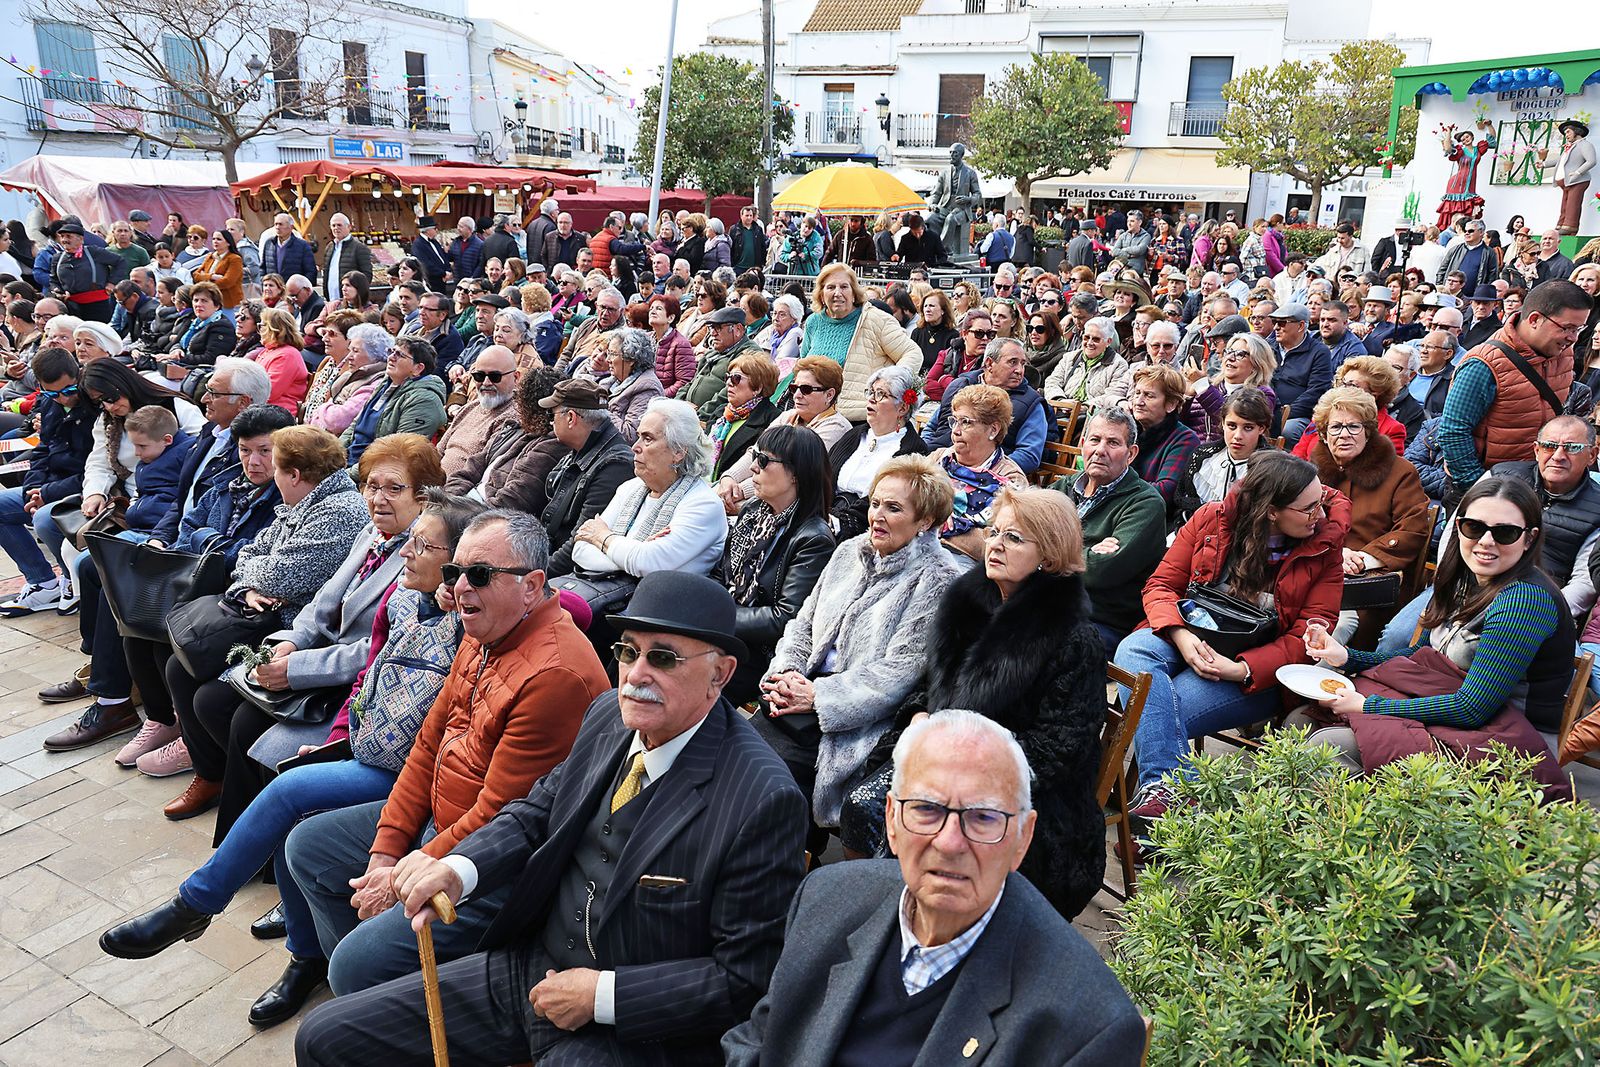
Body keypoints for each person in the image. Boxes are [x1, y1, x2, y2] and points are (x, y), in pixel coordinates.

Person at [292, 568, 809, 1066]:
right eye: (628, 652)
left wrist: (603, 995)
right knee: (323, 1039)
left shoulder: (762, 798)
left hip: (632, 1033)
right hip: (531, 968)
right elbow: (536, 812)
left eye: (665, 658)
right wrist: (456, 868)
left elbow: (746, 979)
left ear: (720, 674)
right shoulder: (608, 714)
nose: (636, 675)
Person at [97, 491, 486, 1026]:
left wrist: (462, 597)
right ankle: (304, 959)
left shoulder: (475, 619)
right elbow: (372, 674)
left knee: (287, 792)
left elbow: (564, 608)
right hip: (370, 751)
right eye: (410, 540)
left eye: (422, 545)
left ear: (460, 562)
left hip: (416, 777)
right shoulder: (400, 600)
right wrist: (340, 738)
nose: (405, 552)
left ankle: (195, 905)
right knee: (289, 800)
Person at [732, 707, 1145, 1064]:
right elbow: (757, 1041)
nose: (949, 843)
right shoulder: (827, 899)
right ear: (891, 820)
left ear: (1022, 837)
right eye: (926, 809)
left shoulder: (1087, 1025)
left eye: (983, 817)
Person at [155, 427, 387, 816]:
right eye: (372, 487)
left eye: (274, 464)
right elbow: (250, 555)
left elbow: (285, 577)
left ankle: (240, 787)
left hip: (291, 627)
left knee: (214, 700)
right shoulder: (303, 502)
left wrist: (255, 578)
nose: (375, 499)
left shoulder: (339, 513)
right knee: (178, 666)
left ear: (294, 474)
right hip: (274, 618)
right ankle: (212, 774)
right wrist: (246, 588)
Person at [1299, 477, 1574, 801]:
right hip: (1452, 716)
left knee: (1325, 748)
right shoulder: (1464, 579)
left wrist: (1369, 705)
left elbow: (1473, 707)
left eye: (1505, 532)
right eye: (1474, 527)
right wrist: (1346, 656)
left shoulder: (1524, 600)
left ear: (1529, 540)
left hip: (1505, 740)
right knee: (1301, 720)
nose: (1486, 541)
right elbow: (1421, 657)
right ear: (1458, 527)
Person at [1118, 452, 1348, 821]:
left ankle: (1152, 808)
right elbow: (1161, 585)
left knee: (1159, 705)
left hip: (1257, 676)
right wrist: (1179, 634)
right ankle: (1168, 793)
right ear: (1272, 511)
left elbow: (1308, 637)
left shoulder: (1324, 548)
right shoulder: (1212, 519)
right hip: (1191, 634)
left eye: (1321, 503)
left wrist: (1240, 670)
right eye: (1308, 508)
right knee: (1133, 650)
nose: (1319, 515)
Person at [758, 455, 962, 838]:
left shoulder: (938, 580)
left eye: (894, 508)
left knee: (768, 785)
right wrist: (785, 672)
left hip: (852, 721)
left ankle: (790, 867)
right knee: (728, 752)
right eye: (875, 503)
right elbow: (803, 623)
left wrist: (818, 697)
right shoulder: (848, 552)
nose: (877, 516)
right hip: (796, 695)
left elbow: (897, 675)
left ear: (926, 522)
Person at [713, 423, 836, 705]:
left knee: (682, 674)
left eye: (764, 460)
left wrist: (717, 615)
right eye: (754, 456)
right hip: (726, 629)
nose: (754, 467)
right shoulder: (754, 512)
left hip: (757, 651)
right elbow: (722, 573)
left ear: (795, 473)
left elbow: (784, 617)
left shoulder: (814, 538)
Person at [1438, 279, 1592, 495]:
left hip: (1536, 486)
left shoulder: (1563, 353)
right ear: (1535, 319)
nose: (1573, 338)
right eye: (1567, 328)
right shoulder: (1483, 364)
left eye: (1579, 328)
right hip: (1488, 491)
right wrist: (1481, 489)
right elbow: (1453, 433)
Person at [1302, 388, 1431, 642]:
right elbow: (1294, 521)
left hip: (1368, 583)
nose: (1344, 435)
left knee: (1330, 625)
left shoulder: (1399, 472)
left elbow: (1413, 529)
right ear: (1324, 436)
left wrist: (1364, 558)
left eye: (1354, 427)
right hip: (1314, 568)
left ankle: (1320, 677)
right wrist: (1333, 553)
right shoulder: (1309, 471)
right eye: (1336, 427)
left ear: (1369, 432)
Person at [1052, 408, 1168, 656]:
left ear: (1131, 454)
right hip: (1047, 601)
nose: (1100, 450)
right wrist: (1084, 553)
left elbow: (1099, 571)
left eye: (1113, 442)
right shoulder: (1063, 488)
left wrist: (1044, 553)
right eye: (1094, 440)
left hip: (1098, 621)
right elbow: (1021, 539)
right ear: (1084, 445)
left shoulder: (1145, 504)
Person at [0, 348, 94, 617]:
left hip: (83, 489)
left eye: (69, 389)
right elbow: (43, 450)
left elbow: (93, 468)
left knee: (44, 518)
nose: (64, 397)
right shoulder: (52, 404)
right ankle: (42, 582)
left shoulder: (92, 403)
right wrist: (33, 487)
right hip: (51, 484)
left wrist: (47, 492)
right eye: (53, 393)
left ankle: (69, 579)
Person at [796, 263, 921, 421]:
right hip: (816, 416)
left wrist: (889, 386)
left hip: (860, 417)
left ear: (854, 293)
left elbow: (912, 353)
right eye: (830, 287)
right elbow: (804, 364)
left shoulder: (876, 319)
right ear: (821, 294)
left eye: (844, 287)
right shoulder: (814, 321)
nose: (837, 293)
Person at [929, 384, 1028, 561]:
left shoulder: (1011, 480)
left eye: (966, 422)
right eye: (955, 421)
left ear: (993, 430)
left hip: (964, 561)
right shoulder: (939, 458)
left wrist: (946, 528)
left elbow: (1006, 545)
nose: (956, 431)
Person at [923, 338, 1047, 475]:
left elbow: (1029, 456)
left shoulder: (1031, 403)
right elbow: (930, 427)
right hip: (939, 463)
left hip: (988, 478)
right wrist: (925, 451)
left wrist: (981, 470)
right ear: (989, 363)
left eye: (1023, 364)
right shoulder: (962, 385)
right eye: (1012, 362)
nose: (1019, 370)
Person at [339, 336, 448, 468]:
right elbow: (355, 425)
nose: (391, 357)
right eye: (392, 351)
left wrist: (345, 475)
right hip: (349, 462)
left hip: (372, 473)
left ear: (418, 368)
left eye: (399, 355)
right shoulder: (387, 382)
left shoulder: (424, 400)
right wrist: (334, 456)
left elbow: (397, 454)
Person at [1293, 354, 1409, 458]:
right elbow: (1298, 455)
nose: (1343, 389)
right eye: (1342, 383)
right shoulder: (1325, 415)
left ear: (1375, 393)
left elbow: (1385, 471)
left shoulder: (1392, 429)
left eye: (1351, 385)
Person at [435, 344, 521, 478]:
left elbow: (481, 474)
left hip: (456, 492)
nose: (486, 383)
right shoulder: (471, 407)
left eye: (495, 376)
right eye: (479, 376)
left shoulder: (513, 418)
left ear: (516, 377)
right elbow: (438, 452)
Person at [1126, 363, 1201, 511]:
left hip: (1154, 518)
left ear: (1171, 404)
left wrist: (1115, 485)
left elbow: (1165, 491)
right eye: (1137, 393)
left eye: (1149, 395)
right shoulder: (1127, 430)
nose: (1138, 402)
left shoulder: (1185, 439)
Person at [1181, 330, 1277, 442]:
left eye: (1240, 354)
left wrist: (1202, 386)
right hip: (1193, 450)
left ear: (1257, 363)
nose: (1231, 358)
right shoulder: (1211, 386)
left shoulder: (1263, 394)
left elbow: (1232, 422)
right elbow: (1179, 425)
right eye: (1229, 351)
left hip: (1231, 455)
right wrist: (1186, 397)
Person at [304, 322, 391, 436]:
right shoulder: (353, 374)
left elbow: (337, 421)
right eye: (350, 350)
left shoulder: (375, 383)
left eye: (355, 351)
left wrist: (322, 408)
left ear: (374, 355)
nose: (349, 357)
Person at [1268, 303, 1334, 447]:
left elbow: (1316, 392)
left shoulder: (1319, 352)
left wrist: (1282, 415)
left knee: (1288, 430)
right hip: (1264, 409)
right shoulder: (1267, 347)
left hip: (1297, 415)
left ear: (1301, 326)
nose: (1276, 327)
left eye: (1282, 322)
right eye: (1274, 322)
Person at [1043, 314, 1131, 409]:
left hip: (1093, 416)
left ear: (1108, 342)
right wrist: (1061, 400)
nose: (1089, 343)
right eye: (1086, 337)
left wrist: (1083, 407)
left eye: (1096, 339)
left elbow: (1112, 396)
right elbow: (1052, 382)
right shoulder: (1070, 357)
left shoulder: (1119, 364)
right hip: (1061, 408)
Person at [600, 326, 665, 444]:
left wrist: (599, 408)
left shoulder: (648, 388)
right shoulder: (613, 381)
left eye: (613, 354)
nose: (608, 359)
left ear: (631, 359)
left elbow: (630, 435)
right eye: (608, 353)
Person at [250, 306, 309, 413]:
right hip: (262, 409)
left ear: (275, 329)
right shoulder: (267, 351)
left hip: (278, 413)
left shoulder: (288, 355)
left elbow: (269, 392)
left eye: (262, 326)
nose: (259, 331)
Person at [191, 229, 244, 310]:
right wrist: (211, 277)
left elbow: (228, 281)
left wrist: (204, 282)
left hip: (228, 303)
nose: (215, 241)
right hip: (210, 301)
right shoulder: (210, 256)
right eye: (213, 239)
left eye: (219, 239)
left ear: (228, 242)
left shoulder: (234, 259)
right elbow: (195, 275)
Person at [912, 289, 960, 374]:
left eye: (932, 306)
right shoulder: (917, 333)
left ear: (943, 310)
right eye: (925, 306)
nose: (927, 309)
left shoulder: (952, 335)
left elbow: (950, 367)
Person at [261, 214, 317, 285]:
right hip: (273, 290)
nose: (277, 227)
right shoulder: (269, 244)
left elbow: (310, 271)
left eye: (281, 224)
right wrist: (264, 283)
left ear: (291, 227)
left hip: (294, 291)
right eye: (276, 224)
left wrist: (302, 289)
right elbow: (262, 268)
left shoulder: (302, 246)